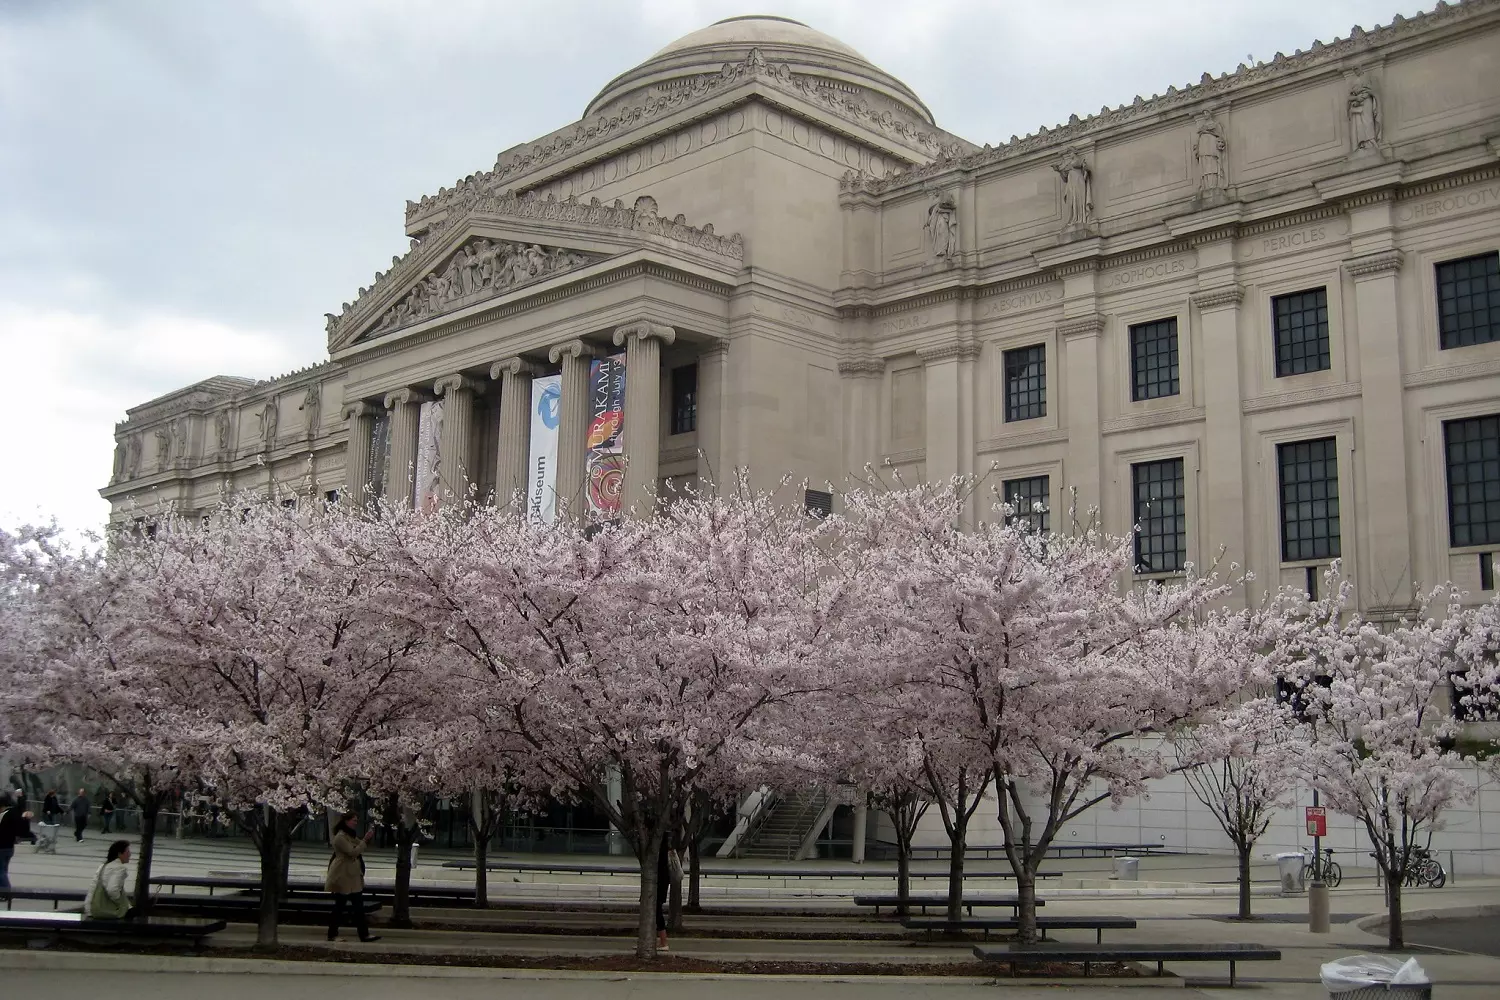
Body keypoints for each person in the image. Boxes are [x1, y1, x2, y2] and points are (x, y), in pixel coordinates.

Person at [325, 811, 380, 943]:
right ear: (346, 821)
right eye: (353, 820)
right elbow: (353, 852)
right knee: (340, 906)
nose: (355, 823)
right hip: (342, 875)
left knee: (358, 907)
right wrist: (365, 840)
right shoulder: (340, 837)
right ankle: (332, 934)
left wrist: (366, 839)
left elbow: (360, 844)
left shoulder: (349, 835)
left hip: (352, 876)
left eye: (356, 821)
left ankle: (364, 934)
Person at [83, 840, 133, 919]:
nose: (130, 854)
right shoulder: (119, 868)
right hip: (101, 910)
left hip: (91, 907)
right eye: (128, 852)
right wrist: (122, 904)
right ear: (120, 854)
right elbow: (112, 890)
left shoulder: (104, 865)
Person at [0, 790, 38, 896]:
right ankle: (3, 891)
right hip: (9, 847)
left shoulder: (5, 815)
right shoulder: (15, 813)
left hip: (2, 847)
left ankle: (6, 892)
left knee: (1, 871)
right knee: (3, 870)